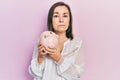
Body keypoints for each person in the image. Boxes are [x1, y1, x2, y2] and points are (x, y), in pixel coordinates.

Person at [29, 2, 84, 80]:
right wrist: (40, 58)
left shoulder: (77, 44)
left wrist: (59, 59)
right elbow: (34, 73)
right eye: (56, 16)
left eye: (65, 16)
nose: (61, 20)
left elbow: (76, 74)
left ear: (69, 20)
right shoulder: (42, 41)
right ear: (51, 20)